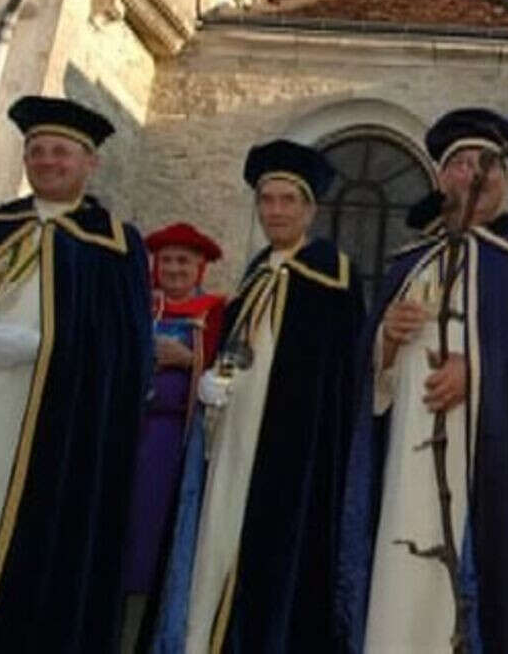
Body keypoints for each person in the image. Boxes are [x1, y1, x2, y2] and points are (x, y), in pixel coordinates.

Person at [339, 108, 508, 653]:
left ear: (504, 180)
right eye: (459, 164)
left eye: (487, 165)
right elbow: (367, 383)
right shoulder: (409, 262)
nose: (473, 174)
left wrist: (478, 373)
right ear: (439, 179)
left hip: (496, 470)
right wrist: (385, 340)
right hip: (407, 462)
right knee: (403, 577)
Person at [0, 95, 152, 651]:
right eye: (36, 151)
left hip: (46, 434)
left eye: (61, 152)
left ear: (89, 162)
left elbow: (126, 360)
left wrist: (46, 348)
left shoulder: (114, 247)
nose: (47, 161)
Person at [152, 139, 365, 653]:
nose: (275, 211)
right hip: (230, 440)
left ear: (310, 209)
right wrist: (211, 377)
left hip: (288, 453)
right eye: (267, 200)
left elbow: (333, 381)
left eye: (287, 200)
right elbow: (236, 349)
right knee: (214, 547)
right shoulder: (254, 277)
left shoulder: (331, 278)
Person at [119, 223, 226, 648]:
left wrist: (188, 359)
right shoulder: (136, 307)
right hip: (124, 438)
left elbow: (227, 371)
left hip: (171, 446)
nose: (175, 269)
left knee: (151, 544)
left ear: (200, 267)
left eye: (184, 261)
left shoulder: (215, 312)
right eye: (166, 260)